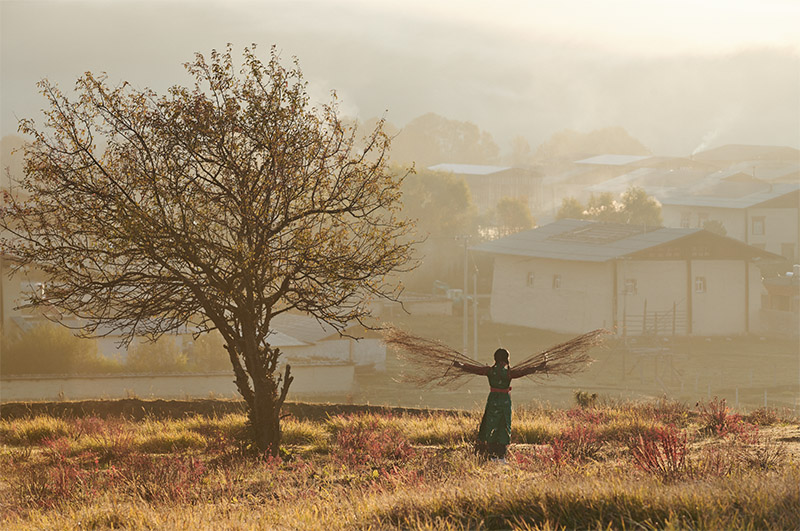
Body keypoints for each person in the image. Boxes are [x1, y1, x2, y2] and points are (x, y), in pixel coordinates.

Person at [454, 348, 546, 461]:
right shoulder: (509, 373)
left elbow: (473, 369)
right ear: (506, 359)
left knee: (491, 425)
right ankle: (501, 456)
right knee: (504, 425)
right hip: (504, 401)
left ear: (495, 358)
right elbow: (526, 370)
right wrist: (540, 366)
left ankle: (492, 455)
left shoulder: (489, 371)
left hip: (492, 400)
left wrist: (460, 365)